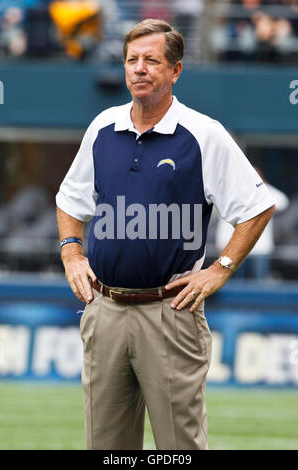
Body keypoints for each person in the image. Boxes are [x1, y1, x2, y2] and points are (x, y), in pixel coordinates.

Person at [56, 19, 275, 450]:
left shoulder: (204, 133)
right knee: (105, 447)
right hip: (105, 308)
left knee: (180, 448)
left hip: (170, 312)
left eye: (151, 61)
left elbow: (256, 207)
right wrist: (70, 252)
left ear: (175, 71)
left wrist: (220, 269)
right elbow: (69, 199)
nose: (139, 69)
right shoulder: (102, 126)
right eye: (131, 60)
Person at [215, 168, 289, 279]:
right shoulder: (235, 195)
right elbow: (225, 221)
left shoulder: (266, 195)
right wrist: (221, 240)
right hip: (238, 248)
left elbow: (283, 201)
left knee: (260, 284)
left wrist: (263, 186)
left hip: (260, 248)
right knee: (237, 283)